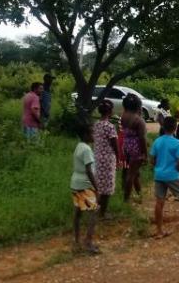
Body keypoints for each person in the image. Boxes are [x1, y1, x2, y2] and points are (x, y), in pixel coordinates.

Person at [70, 124, 100, 254]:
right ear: (86, 135)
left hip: (75, 183)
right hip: (85, 185)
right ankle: (88, 242)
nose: (94, 135)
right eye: (92, 133)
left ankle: (76, 241)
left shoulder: (79, 146)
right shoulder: (87, 149)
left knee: (77, 213)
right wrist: (96, 187)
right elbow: (89, 170)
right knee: (93, 213)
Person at [94, 100, 120, 219]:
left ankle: (96, 209)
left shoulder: (96, 124)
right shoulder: (110, 127)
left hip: (97, 158)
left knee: (99, 185)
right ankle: (103, 213)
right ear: (110, 111)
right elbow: (115, 144)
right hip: (108, 159)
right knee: (107, 187)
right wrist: (119, 158)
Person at [121, 93, 147, 202]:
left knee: (134, 172)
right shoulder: (139, 120)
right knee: (131, 174)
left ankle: (140, 195)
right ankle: (126, 200)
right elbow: (142, 138)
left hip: (126, 145)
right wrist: (144, 153)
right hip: (136, 148)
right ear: (138, 106)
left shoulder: (124, 116)